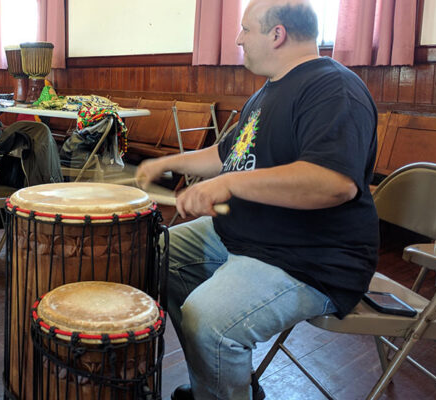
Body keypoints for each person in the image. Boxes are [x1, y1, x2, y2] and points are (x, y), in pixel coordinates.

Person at [135, 1, 379, 399]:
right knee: (156, 251)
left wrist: (231, 186)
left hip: (309, 256)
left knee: (209, 318)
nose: (237, 38)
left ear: (277, 34)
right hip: (244, 236)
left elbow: (334, 183)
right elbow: (225, 155)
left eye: (246, 29)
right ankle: (219, 384)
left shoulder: (333, 87)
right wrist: (166, 162)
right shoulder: (269, 90)